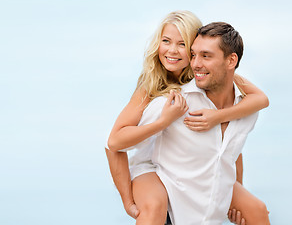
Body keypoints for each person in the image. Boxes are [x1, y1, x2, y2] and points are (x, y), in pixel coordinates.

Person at [105, 11, 270, 224]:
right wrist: (128, 202)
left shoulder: (210, 75)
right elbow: (113, 144)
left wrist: (218, 117)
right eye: (166, 41)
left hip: (188, 165)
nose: (173, 50)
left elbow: (232, 140)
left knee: (257, 210)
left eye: (182, 45)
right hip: (150, 166)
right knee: (154, 205)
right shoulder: (154, 89)